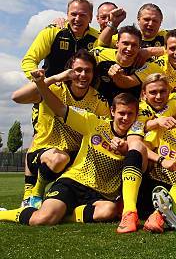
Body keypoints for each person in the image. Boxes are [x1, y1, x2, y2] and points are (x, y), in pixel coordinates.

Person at [0, 70, 138, 227]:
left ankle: (62, 214)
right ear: (112, 111)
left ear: (136, 115)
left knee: (108, 211)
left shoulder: (136, 140)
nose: (125, 118)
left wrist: (127, 150)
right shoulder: (93, 122)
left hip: (100, 195)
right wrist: (41, 84)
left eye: (130, 114)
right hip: (73, 182)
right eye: (121, 113)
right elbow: (60, 109)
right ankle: (3, 213)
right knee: (42, 219)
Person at [12, 50, 110, 208]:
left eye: (88, 70)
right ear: (69, 71)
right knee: (59, 158)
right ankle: (36, 192)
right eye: (78, 70)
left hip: (74, 158)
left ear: (93, 74)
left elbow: (106, 130)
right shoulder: (56, 89)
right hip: (45, 152)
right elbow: (17, 97)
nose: (83, 75)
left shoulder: (98, 100)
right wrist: (55, 78)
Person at [116, 95, 176, 233]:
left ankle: (160, 215)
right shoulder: (167, 128)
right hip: (152, 187)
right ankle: (129, 213)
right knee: (136, 147)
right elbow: (142, 147)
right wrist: (162, 160)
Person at [22, 0, 99, 79]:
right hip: (51, 88)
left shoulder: (98, 38)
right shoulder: (52, 31)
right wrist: (42, 82)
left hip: (84, 90)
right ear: (67, 15)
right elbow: (29, 60)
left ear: (91, 17)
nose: (77, 19)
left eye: (82, 15)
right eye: (73, 14)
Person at [112, 29, 176, 93]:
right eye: (172, 48)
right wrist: (117, 76)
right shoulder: (156, 66)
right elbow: (127, 83)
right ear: (165, 50)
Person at [91, 25, 143, 104]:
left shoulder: (144, 64)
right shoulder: (99, 54)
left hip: (128, 113)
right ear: (117, 43)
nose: (129, 49)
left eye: (134, 45)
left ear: (139, 47)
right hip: (99, 110)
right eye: (125, 43)